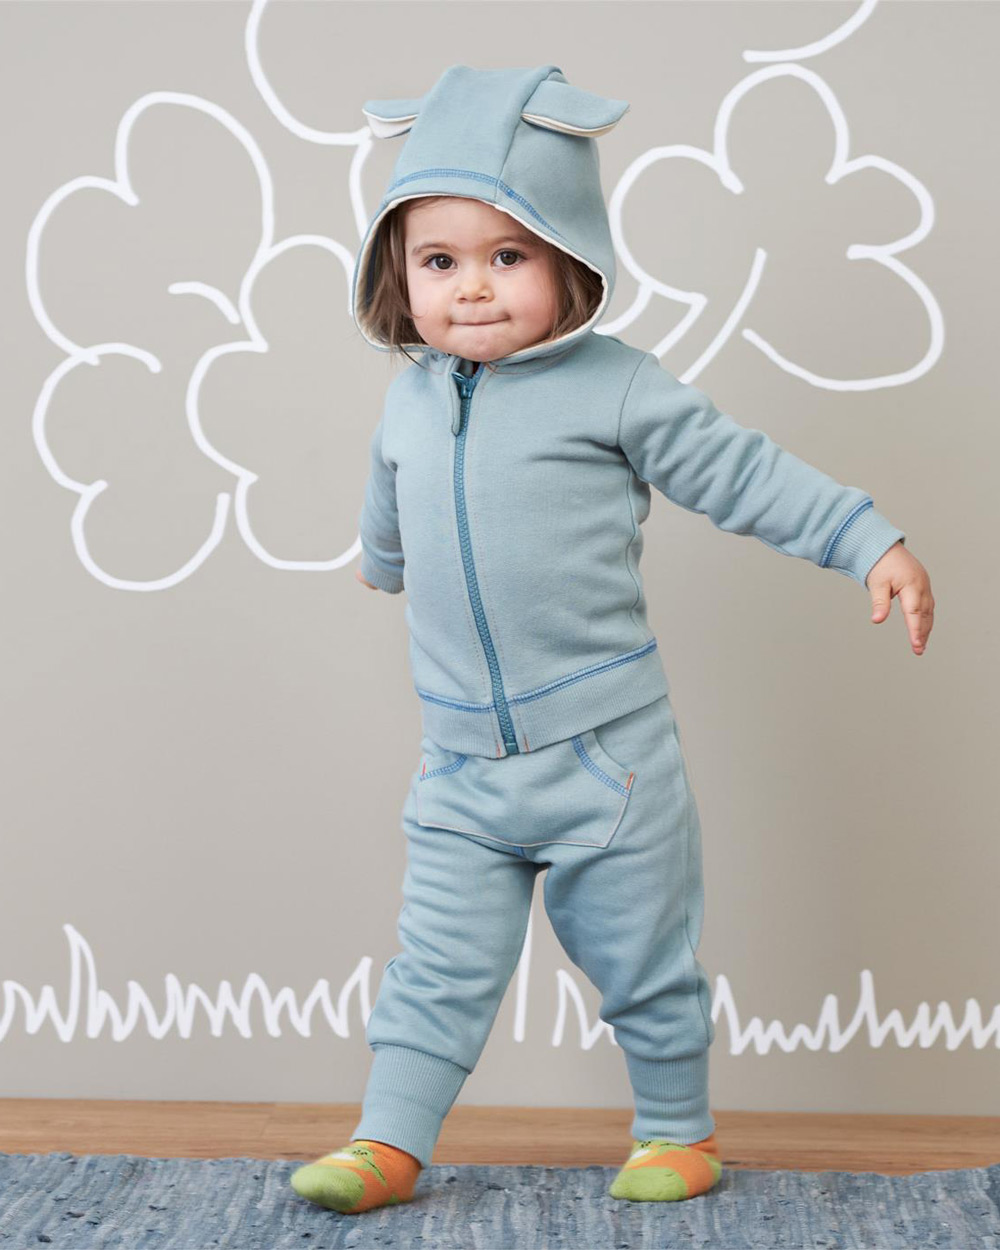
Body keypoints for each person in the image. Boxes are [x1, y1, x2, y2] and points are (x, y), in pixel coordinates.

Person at [290, 63, 934, 1214]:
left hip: (605, 757)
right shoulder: (408, 398)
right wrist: (379, 558)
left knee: (641, 957)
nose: (471, 286)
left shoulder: (617, 388)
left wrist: (861, 537)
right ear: (396, 272)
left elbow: (742, 473)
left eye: (508, 254)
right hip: (462, 763)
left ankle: (677, 1130)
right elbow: (392, 497)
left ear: (569, 256)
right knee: (434, 962)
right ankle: (387, 1139)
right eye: (438, 261)